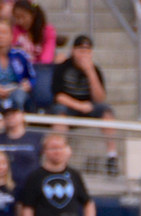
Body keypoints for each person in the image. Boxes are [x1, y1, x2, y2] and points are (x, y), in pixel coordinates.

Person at [50, 34, 119, 170]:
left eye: (87, 51)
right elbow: (58, 96)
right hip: (69, 106)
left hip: (89, 106)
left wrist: (90, 72)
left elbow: (100, 98)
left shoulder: (95, 70)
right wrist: (79, 106)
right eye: (81, 50)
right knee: (59, 115)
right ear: (73, 51)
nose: (84, 54)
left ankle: (112, 156)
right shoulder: (63, 67)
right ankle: (61, 155)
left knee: (106, 112)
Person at [19, 133, 95, 216]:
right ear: (44, 151)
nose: (57, 152)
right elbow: (27, 208)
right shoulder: (35, 177)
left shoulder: (74, 175)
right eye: (53, 148)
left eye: (60, 148)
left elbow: (88, 203)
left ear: (66, 150)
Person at [0, 102, 43, 187]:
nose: (10, 117)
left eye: (14, 113)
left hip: (30, 188)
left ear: (22, 115)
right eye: (6, 115)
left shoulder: (37, 138)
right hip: (1, 191)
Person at [11, 0, 58, 65]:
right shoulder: (15, 30)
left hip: (40, 68)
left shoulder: (47, 30)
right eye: (17, 17)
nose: (20, 21)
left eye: (23, 17)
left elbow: (47, 56)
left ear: (33, 15)